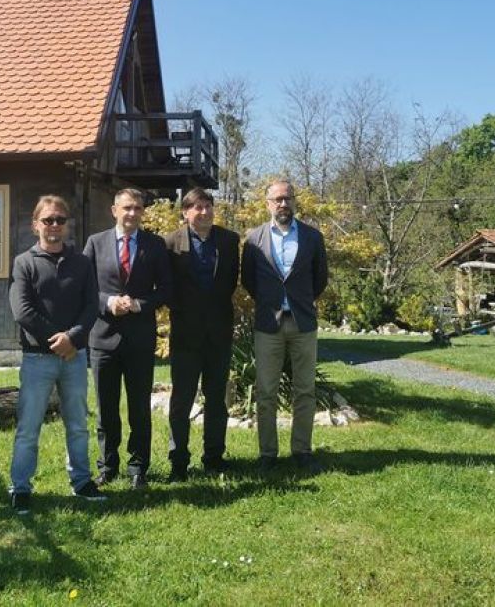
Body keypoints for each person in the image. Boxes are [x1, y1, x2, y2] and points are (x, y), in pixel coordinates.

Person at [7, 195, 105, 514]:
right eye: (48, 220)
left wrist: (72, 338)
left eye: (60, 220)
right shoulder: (24, 262)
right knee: (28, 427)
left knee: (77, 424)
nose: (54, 225)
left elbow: (91, 305)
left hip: (74, 357)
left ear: (66, 225)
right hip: (38, 358)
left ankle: (82, 481)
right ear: (35, 224)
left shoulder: (82, 263)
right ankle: (20, 488)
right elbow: (22, 311)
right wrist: (57, 339)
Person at [84, 188, 172, 489]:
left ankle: (138, 468)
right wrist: (108, 302)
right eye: (126, 208)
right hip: (103, 338)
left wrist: (139, 304)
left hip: (139, 339)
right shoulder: (95, 243)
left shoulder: (155, 245)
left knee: (139, 409)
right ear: (114, 210)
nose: (132, 213)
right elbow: (84, 287)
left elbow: (166, 289)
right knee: (106, 408)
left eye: (137, 208)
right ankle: (107, 466)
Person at [241, 179, 328, 473]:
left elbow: (320, 278)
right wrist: (270, 301)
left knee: (305, 390)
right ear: (267, 204)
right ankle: (268, 454)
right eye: (277, 199)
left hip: (303, 324)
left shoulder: (312, 237)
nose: (283, 204)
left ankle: (302, 451)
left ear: (294, 202)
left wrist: (300, 300)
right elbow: (249, 280)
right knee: (266, 391)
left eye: (287, 198)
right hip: (268, 324)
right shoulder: (253, 239)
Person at [164, 188, 239, 481]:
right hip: (185, 333)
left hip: (219, 332)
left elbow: (231, 281)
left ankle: (214, 457)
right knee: (181, 400)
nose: (204, 212)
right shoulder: (171, 243)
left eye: (208, 206)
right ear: (185, 212)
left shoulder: (229, 241)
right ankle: (178, 462)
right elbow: (167, 285)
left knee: (217, 398)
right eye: (198, 207)